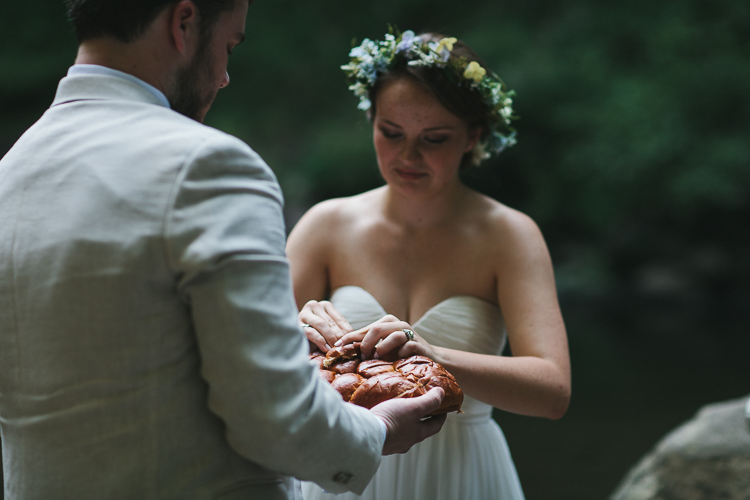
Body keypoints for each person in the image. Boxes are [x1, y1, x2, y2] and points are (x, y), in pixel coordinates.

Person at [0, 5, 447, 499]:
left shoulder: (11, 173)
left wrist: (272, 338)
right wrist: (377, 430)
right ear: (184, 22)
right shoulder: (208, 165)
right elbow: (274, 418)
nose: (225, 77)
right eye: (229, 46)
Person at [288, 30, 572, 500]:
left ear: (473, 136)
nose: (407, 156)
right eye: (390, 132)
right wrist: (293, 329)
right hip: (345, 467)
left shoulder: (510, 235)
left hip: (465, 475)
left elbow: (553, 391)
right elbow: (249, 362)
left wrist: (435, 357)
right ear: (371, 121)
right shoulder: (326, 226)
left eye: (434, 138)